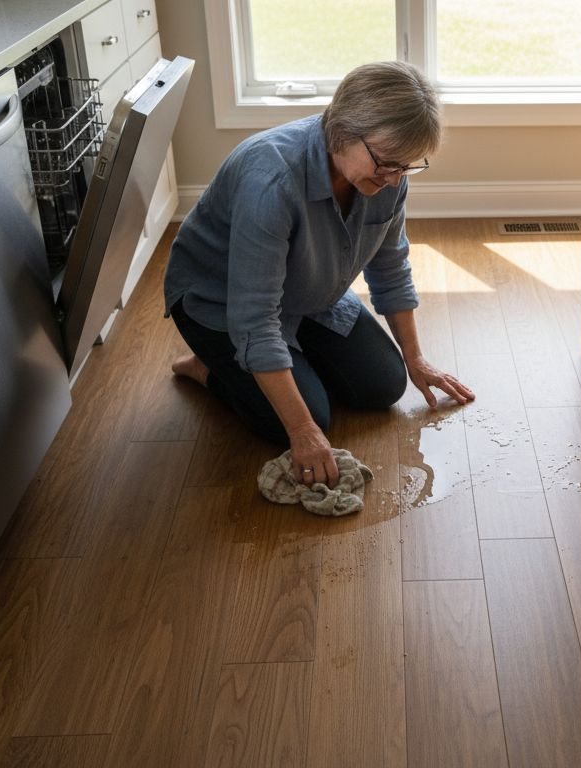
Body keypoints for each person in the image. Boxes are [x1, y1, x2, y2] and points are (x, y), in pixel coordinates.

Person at [164, 61, 474, 490]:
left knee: (384, 384)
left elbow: (389, 266)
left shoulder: (388, 175)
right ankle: (208, 367)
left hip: (311, 292)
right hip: (222, 303)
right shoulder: (270, 178)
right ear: (343, 130)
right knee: (307, 418)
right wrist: (303, 430)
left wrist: (416, 359)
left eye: (406, 166)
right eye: (385, 162)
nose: (393, 178)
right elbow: (253, 318)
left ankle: (285, 362)